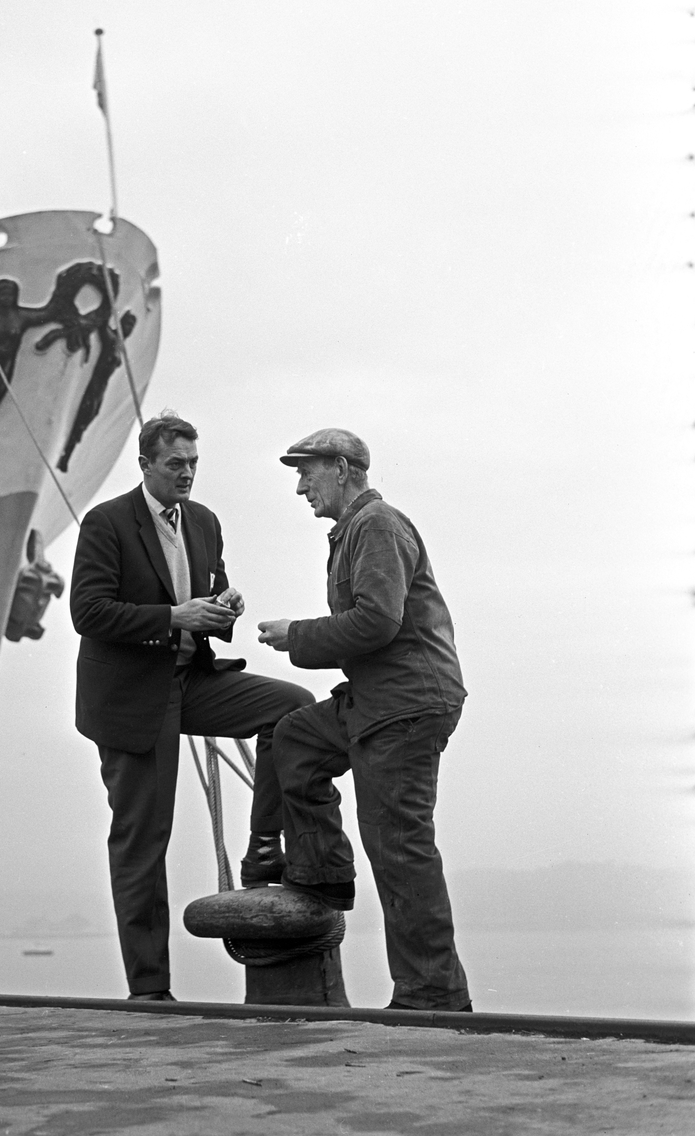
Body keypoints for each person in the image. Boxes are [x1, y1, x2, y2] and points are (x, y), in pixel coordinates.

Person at [71, 413, 314, 1001]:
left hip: (192, 680)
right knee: (143, 839)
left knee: (294, 708)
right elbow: (89, 613)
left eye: (194, 464)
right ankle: (150, 992)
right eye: (176, 463)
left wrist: (224, 606)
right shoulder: (107, 523)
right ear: (146, 465)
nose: (187, 473)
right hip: (131, 699)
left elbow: (211, 592)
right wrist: (174, 617)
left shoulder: (204, 522)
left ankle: (262, 851)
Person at [257, 428, 471, 1012]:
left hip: (405, 704)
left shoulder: (377, 525)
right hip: (377, 699)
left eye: (308, 472)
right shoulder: (352, 532)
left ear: (345, 469)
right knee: (294, 736)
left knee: (399, 845)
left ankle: (434, 996)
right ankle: (323, 872)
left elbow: (377, 622)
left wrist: (296, 636)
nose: (300, 486)